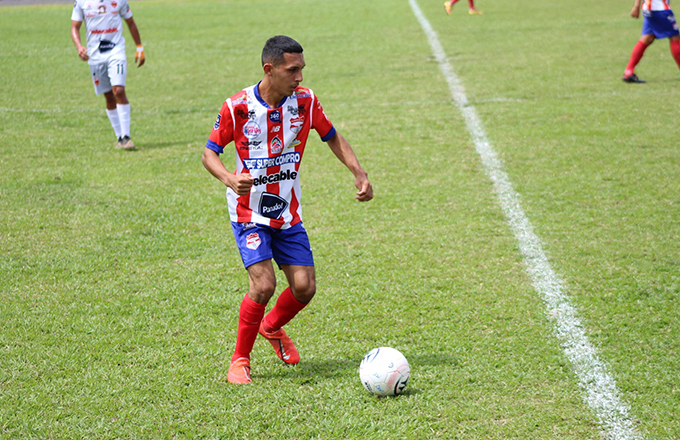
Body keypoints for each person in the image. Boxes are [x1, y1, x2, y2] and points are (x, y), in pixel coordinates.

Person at [202, 35, 373, 384]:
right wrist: (229, 179)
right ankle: (240, 360)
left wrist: (359, 172)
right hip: (249, 213)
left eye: (301, 69)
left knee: (305, 287)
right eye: (292, 70)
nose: (300, 77)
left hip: (287, 212)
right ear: (270, 69)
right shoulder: (237, 107)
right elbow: (209, 153)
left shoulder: (305, 101)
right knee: (263, 285)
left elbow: (331, 135)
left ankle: (271, 326)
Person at [70, 0, 146, 149]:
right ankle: (119, 137)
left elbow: (130, 22)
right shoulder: (82, 2)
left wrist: (139, 47)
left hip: (116, 51)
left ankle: (126, 137)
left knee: (119, 90)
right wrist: (79, 46)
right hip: (95, 56)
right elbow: (75, 27)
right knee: (109, 96)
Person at [623, 0, 680, 83]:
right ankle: (628, 71)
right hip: (659, 9)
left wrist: (637, 6)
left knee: (647, 38)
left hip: (649, 9)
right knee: (675, 37)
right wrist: (636, 6)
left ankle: (628, 72)